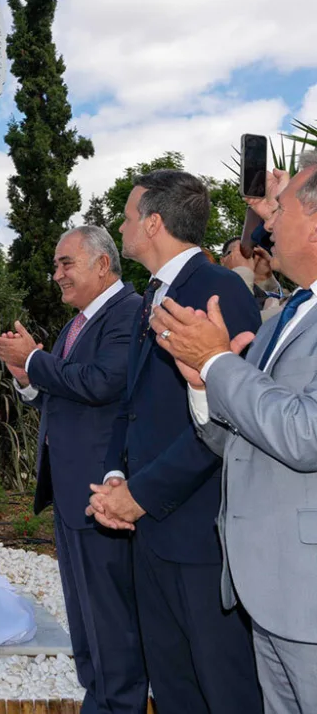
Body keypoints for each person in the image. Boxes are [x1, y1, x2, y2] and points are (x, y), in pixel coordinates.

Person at [86, 170, 263, 713]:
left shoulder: (219, 290)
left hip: (200, 536)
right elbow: (134, 403)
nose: (120, 225)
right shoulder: (154, 296)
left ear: (154, 223)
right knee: (175, 687)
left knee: (223, 689)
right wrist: (117, 476)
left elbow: (229, 421)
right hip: (153, 534)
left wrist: (141, 495)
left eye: (127, 214)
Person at [149, 151, 317, 714]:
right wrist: (203, 385)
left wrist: (221, 363)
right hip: (269, 591)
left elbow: (304, 435)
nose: (267, 222)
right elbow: (243, 442)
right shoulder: (295, 312)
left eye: (283, 206)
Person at [0, 226, 147, 713]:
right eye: (56, 265)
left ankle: (117, 702)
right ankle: (96, 697)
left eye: (66, 263)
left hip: (105, 492)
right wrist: (28, 379)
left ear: (103, 265)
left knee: (110, 618)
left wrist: (34, 359)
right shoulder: (77, 324)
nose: (56, 274)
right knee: (84, 616)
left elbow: (103, 383)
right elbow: (67, 393)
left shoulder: (129, 313)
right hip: (72, 491)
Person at [220, 236, 282, 319]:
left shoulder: (267, 297)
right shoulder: (208, 286)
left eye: (252, 254)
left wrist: (264, 277)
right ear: (222, 260)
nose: (244, 259)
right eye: (237, 253)